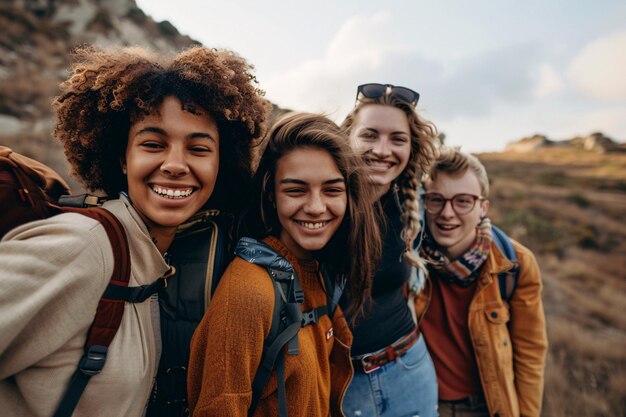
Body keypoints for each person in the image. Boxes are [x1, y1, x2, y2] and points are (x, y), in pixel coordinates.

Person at [0, 45, 269, 417]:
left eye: (198, 149)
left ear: (221, 164)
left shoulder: (149, 261)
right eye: (153, 144)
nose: (175, 164)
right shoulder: (82, 246)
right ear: (122, 159)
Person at [187, 112, 382, 417]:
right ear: (270, 193)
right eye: (295, 190)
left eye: (332, 190)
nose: (317, 207)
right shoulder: (249, 291)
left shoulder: (319, 271)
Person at [416, 147, 548, 417]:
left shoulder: (515, 264)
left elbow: (530, 353)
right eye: (435, 199)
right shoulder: (406, 259)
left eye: (463, 201)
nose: (447, 213)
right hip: (421, 403)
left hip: (484, 406)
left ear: (482, 208)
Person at [339, 83, 439, 417]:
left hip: (410, 368)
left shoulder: (410, 204)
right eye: (370, 135)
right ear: (347, 137)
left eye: (398, 139)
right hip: (341, 384)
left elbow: (463, 217)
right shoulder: (319, 203)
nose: (383, 150)